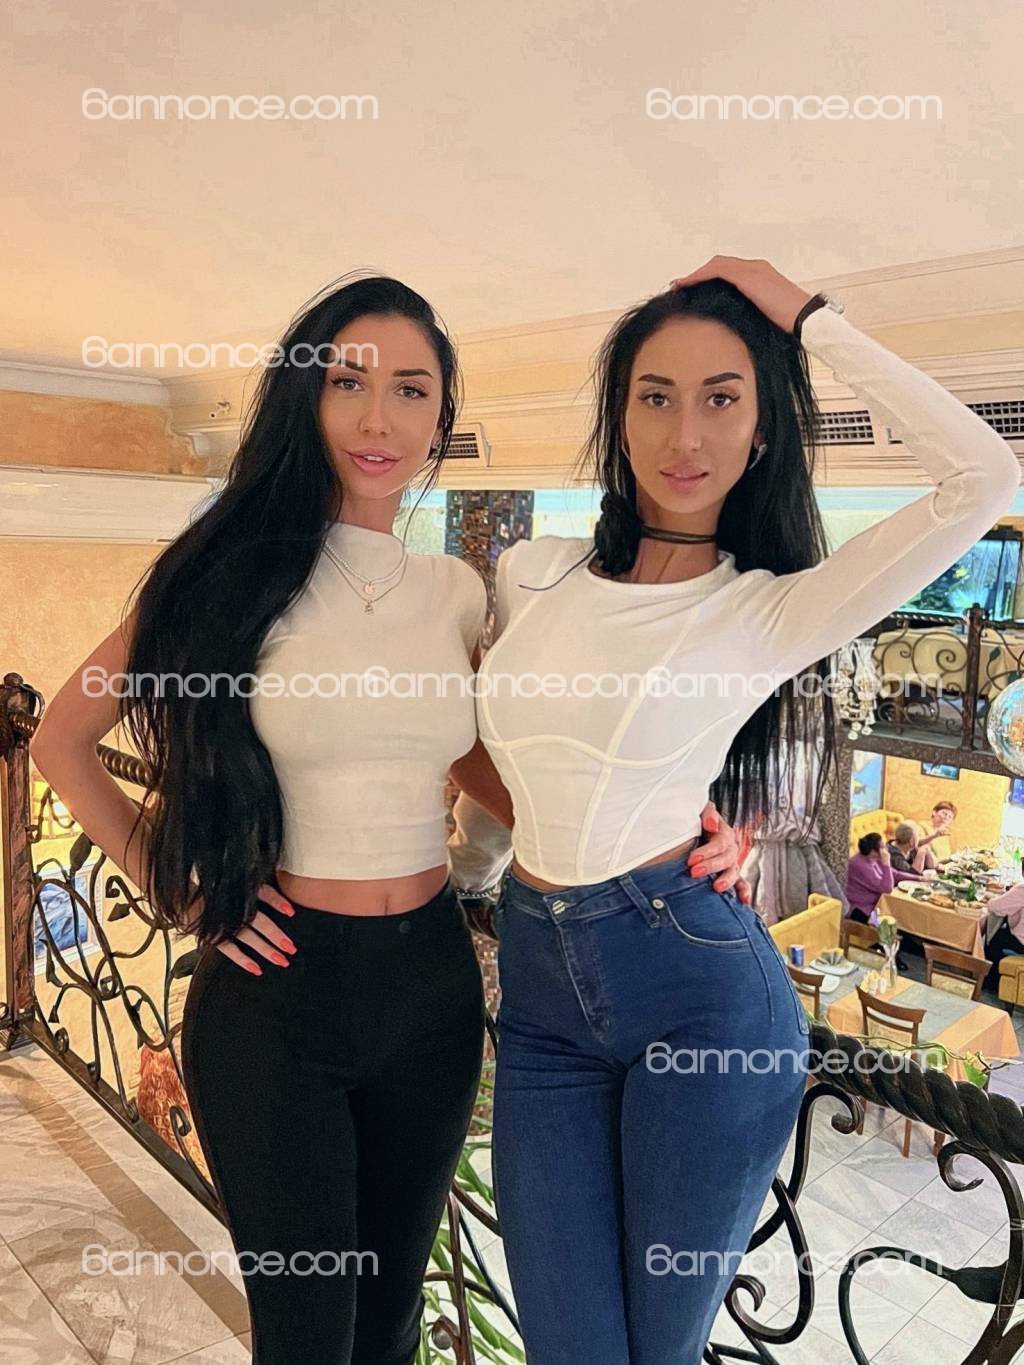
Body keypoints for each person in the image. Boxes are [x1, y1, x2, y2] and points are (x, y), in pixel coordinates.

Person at [29, 273, 747, 1365]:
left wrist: (679, 836)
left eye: (412, 390)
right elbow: (60, 741)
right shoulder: (220, 574)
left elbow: (508, 766)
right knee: (308, 1334)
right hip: (276, 997)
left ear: (441, 419)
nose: (380, 418)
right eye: (349, 383)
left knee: (393, 1320)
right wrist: (180, 893)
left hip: (429, 986)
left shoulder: (457, 593)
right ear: (303, 399)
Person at [462, 255, 1019, 1363]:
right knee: (568, 1345)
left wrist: (807, 318)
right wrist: (477, 873)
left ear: (763, 430)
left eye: (723, 398)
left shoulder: (767, 611)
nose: (686, 433)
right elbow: (508, 761)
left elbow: (983, 475)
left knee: (656, 1346)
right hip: (538, 989)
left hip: (698, 992)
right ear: (620, 417)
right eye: (656, 396)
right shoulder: (532, 574)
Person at [846, 832, 897, 924]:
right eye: (883, 847)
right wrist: (886, 864)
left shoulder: (873, 858)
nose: (886, 850)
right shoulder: (860, 865)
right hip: (861, 909)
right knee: (888, 926)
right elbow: (887, 888)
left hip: (877, 905)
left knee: (901, 918)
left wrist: (919, 878)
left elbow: (895, 874)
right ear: (873, 851)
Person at [911, 799, 958, 871]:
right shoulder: (922, 826)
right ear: (934, 812)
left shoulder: (945, 833)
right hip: (927, 868)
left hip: (943, 867)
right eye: (944, 813)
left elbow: (945, 856)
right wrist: (934, 835)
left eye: (950, 817)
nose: (946, 818)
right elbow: (917, 844)